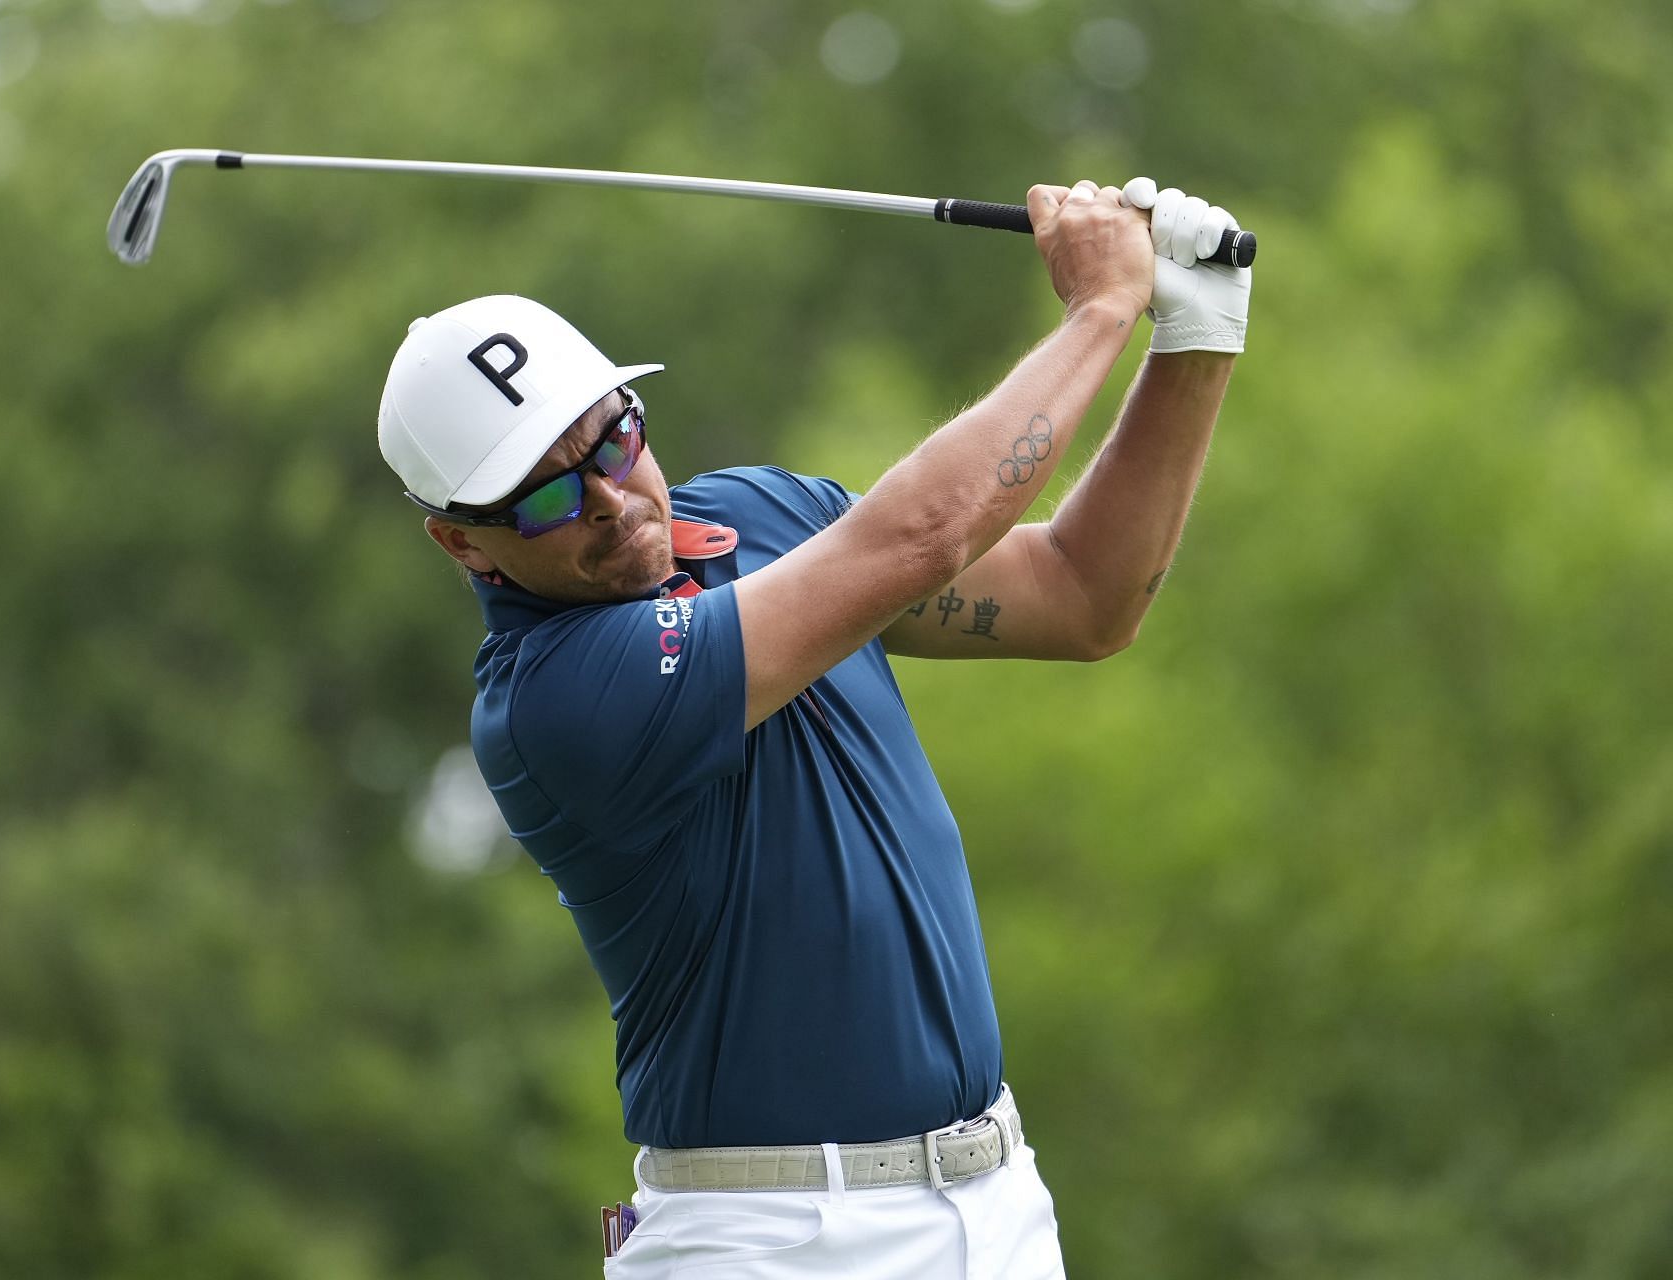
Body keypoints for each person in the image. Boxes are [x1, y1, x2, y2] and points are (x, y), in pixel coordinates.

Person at [375, 177, 1250, 1278]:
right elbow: (919, 532)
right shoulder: (551, 701)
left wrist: (1197, 331)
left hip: (998, 1203)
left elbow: (1085, 594)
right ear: (464, 545)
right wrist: (1099, 314)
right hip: (773, 1241)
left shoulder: (761, 517)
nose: (611, 500)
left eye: (610, 441)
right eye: (545, 498)